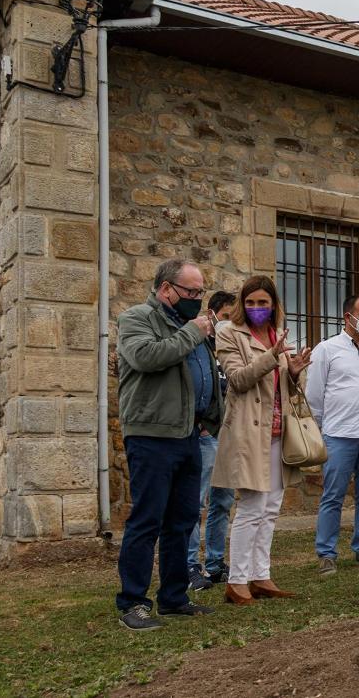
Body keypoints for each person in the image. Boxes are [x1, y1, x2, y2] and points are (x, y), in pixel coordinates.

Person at [114, 259, 221, 631]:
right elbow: (146, 357)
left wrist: (209, 418)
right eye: (190, 292)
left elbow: (205, 374)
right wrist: (194, 332)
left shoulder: (188, 326)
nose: (196, 299)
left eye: (199, 292)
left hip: (189, 434)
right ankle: (133, 602)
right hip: (151, 435)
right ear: (165, 289)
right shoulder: (136, 319)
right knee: (147, 519)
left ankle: (174, 598)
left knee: (182, 521)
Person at [211, 276, 311, 605]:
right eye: (250, 302)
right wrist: (272, 356)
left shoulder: (275, 335)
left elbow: (284, 391)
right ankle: (237, 581)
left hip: (278, 432)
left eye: (262, 302)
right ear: (242, 303)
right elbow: (238, 380)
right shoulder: (229, 333)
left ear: (273, 305)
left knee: (270, 509)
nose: (256, 308)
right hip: (248, 433)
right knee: (251, 507)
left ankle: (261, 575)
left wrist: (294, 371)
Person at [308, 294, 359, 576]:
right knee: (333, 495)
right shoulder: (326, 349)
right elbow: (315, 394)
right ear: (348, 317)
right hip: (338, 433)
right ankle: (326, 553)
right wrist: (322, 428)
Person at [188, 291, 238, 591]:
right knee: (195, 503)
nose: (231, 323)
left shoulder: (230, 347)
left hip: (228, 436)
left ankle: (216, 563)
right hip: (204, 436)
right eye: (228, 317)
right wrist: (203, 426)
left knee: (223, 501)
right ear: (213, 313)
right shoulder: (198, 344)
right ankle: (190, 565)